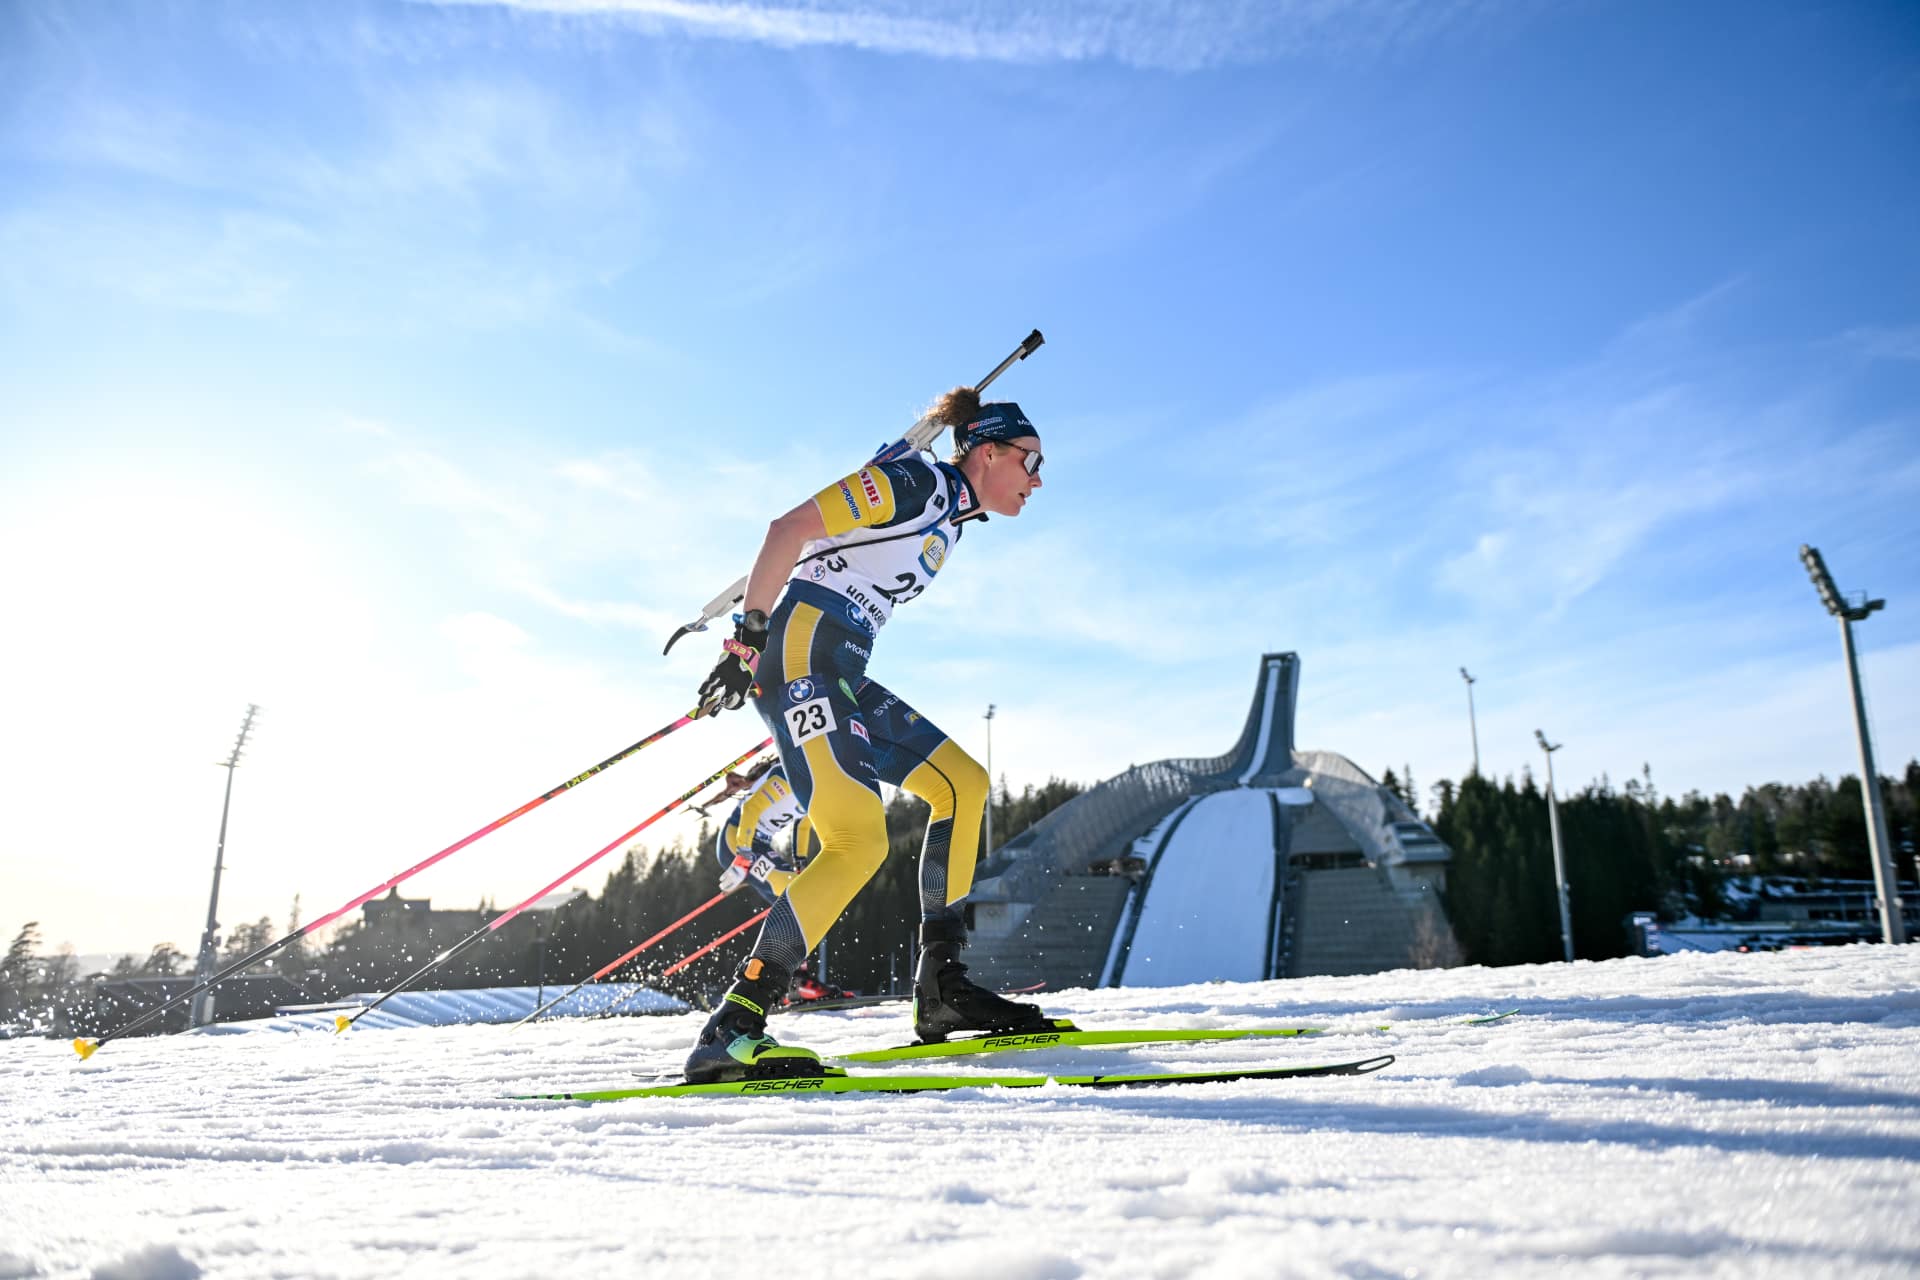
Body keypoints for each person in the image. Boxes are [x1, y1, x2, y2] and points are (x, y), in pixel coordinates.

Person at [684, 388, 1049, 1082]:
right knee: (858, 838)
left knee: (963, 785)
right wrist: (744, 644)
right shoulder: (914, 482)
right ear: (990, 450)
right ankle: (733, 1028)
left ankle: (941, 988)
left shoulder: (948, 513)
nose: (1037, 482)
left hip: (841, 669)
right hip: (799, 658)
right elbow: (787, 530)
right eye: (1032, 461)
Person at [708, 756, 810, 907]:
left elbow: (803, 826)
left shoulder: (816, 793)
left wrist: (800, 864)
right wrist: (743, 857)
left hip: (760, 845)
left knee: (796, 898)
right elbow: (751, 808)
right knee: (799, 893)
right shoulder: (790, 774)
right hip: (737, 841)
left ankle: (788, 927)